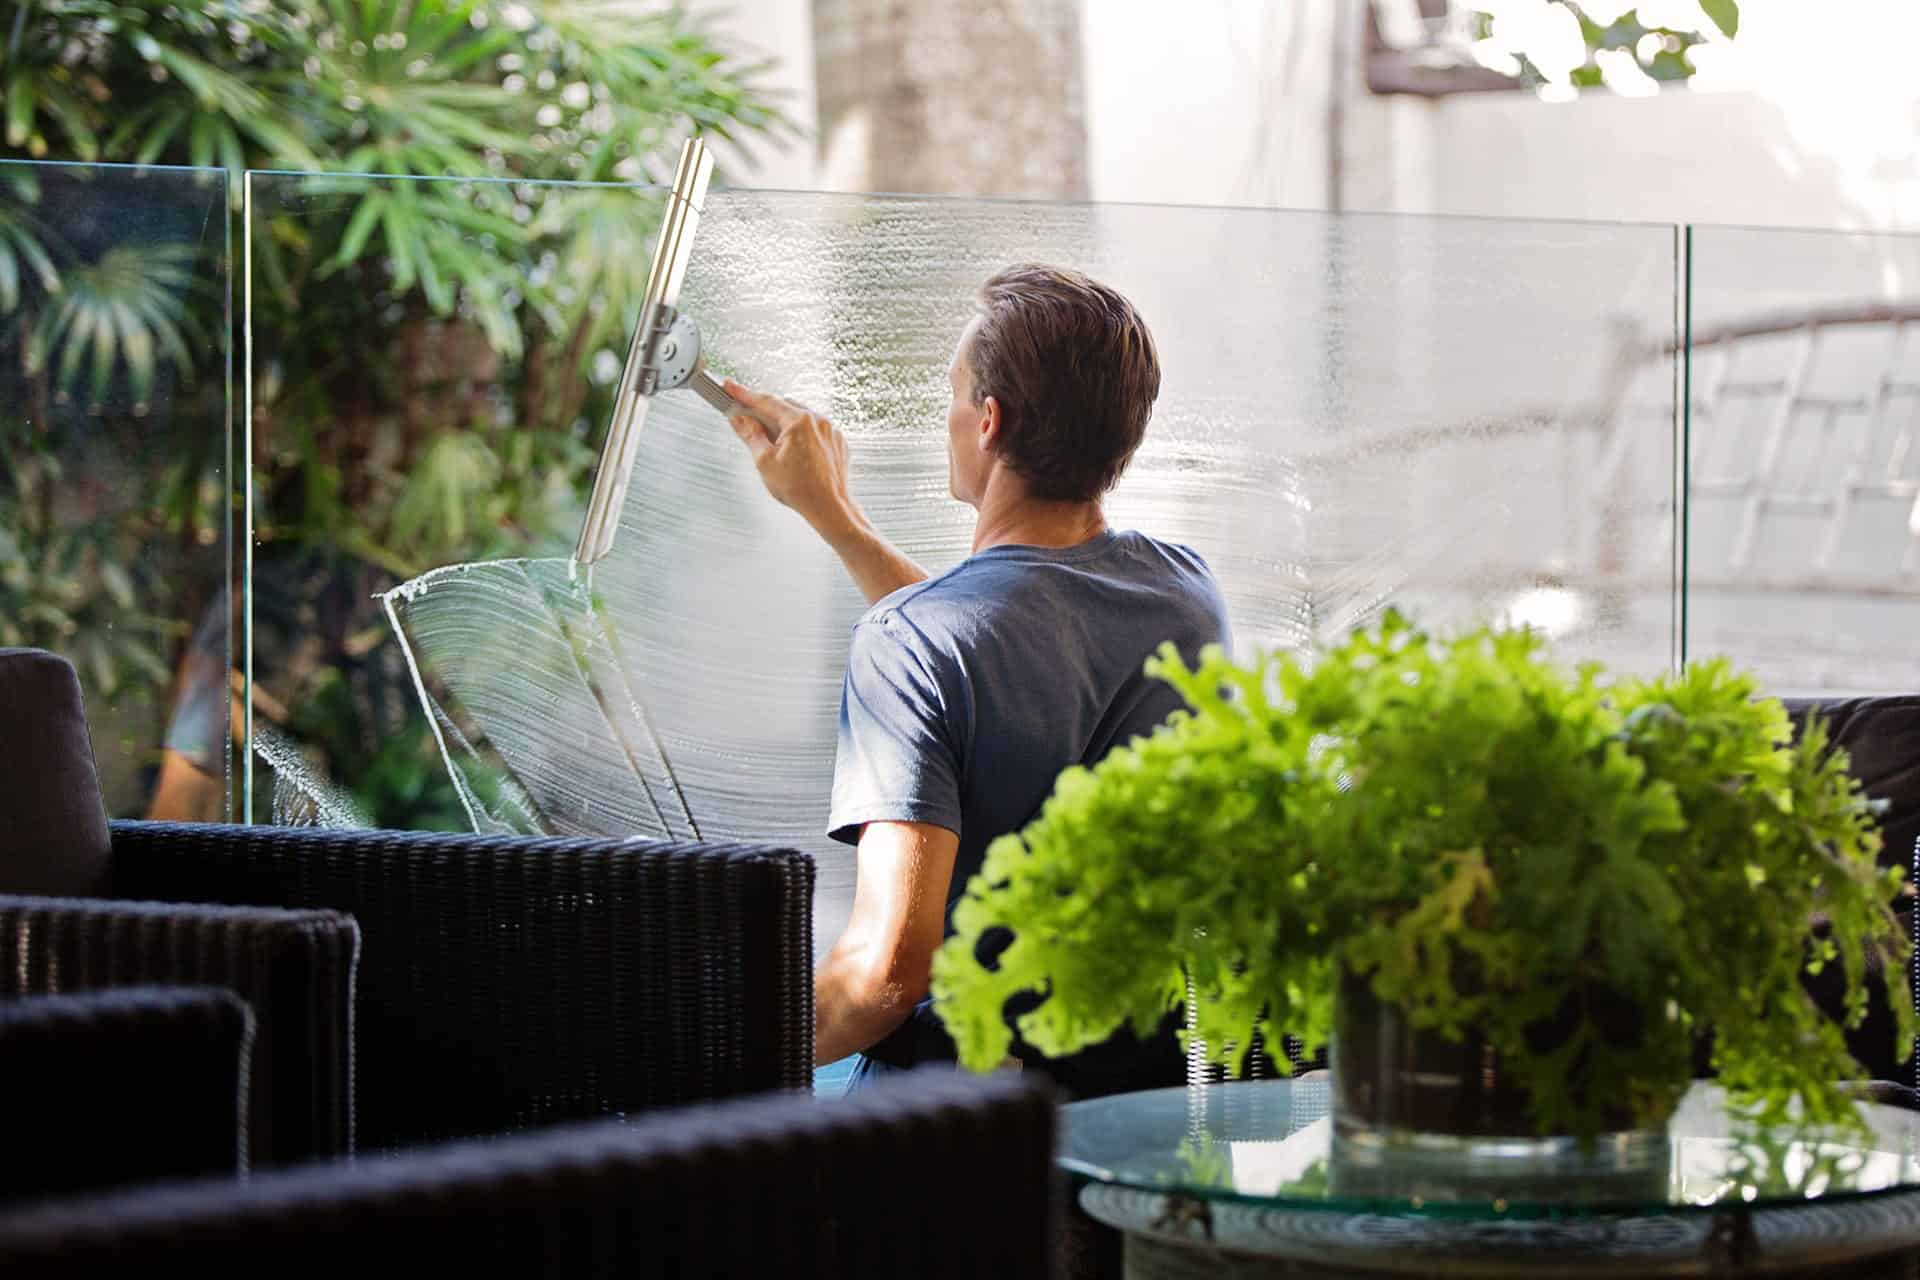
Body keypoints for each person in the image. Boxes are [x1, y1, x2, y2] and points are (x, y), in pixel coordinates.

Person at [723, 264, 1230, 1097]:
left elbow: (884, 979)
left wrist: (701, 1048)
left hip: (961, 1130)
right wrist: (838, 521)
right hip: (1140, 1108)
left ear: (988, 422)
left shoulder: (915, 642)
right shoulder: (1187, 596)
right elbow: (1010, 641)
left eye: (954, 394)